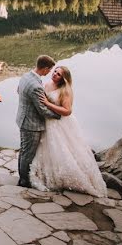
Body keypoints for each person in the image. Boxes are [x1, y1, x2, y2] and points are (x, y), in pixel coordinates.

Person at [30, 66, 107, 197]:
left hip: (60, 123)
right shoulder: (47, 84)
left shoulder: (65, 91)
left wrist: (49, 105)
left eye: (58, 74)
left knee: (63, 149)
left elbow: (67, 111)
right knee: (47, 149)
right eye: (54, 71)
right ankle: (47, 175)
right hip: (48, 121)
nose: (54, 74)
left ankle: (73, 177)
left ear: (63, 79)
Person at [15, 55, 59, 188]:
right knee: (27, 154)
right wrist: (58, 116)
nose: (50, 72)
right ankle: (24, 181)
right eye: (50, 69)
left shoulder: (25, 76)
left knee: (23, 151)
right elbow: (42, 111)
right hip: (31, 125)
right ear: (45, 68)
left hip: (22, 118)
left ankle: (22, 177)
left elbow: (18, 90)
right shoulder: (35, 85)